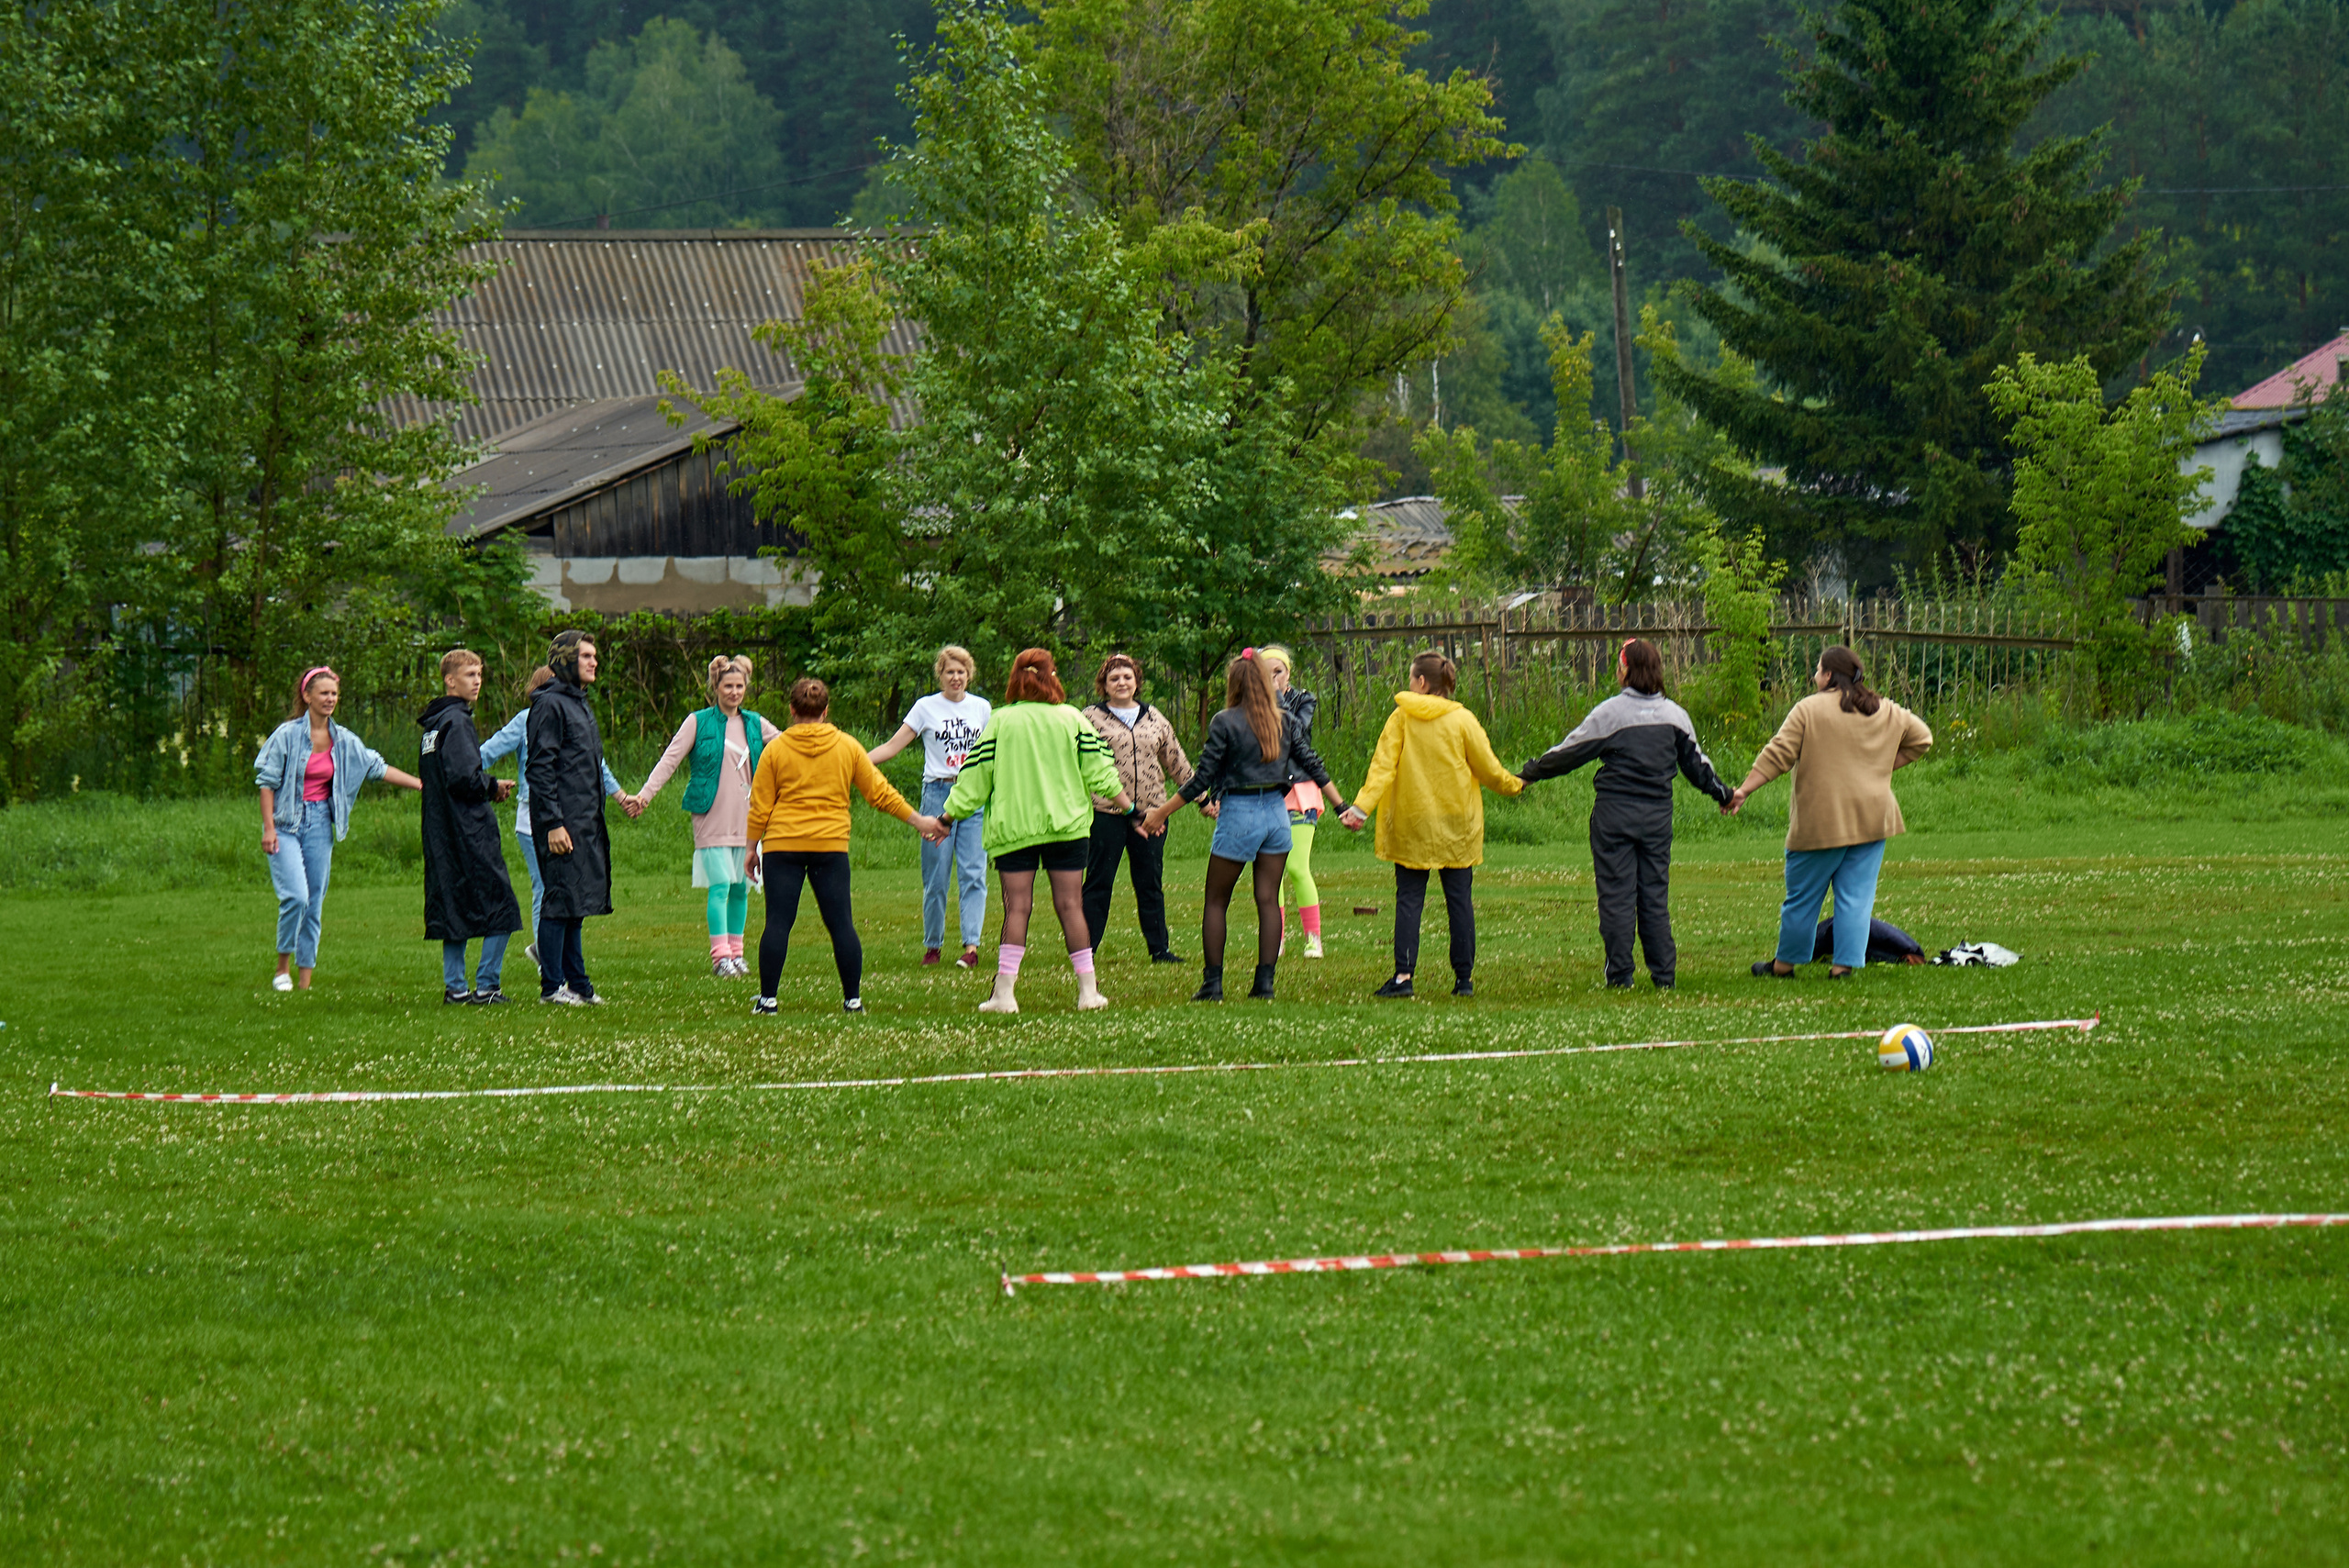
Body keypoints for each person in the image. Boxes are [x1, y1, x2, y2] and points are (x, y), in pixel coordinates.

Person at [1518, 638, 1733, 989]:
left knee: (1617, 896)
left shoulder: (1610, 713)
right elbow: (1698, 766)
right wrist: (1723, 794)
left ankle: (1620, 975)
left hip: (1613, 817)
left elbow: (1570, 751)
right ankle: (1664, 975)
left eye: (1619, 666)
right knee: (1653, 895)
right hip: (1656, 819)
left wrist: (1530, 773)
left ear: (1625, 671)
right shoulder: (1675, 716)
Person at [941, 648, 1141, 1015]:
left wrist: (946, 817)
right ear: (1053, 677)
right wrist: (1131, 810)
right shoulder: (1073, 720)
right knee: (1071, 905)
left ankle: (1004, 995)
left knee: (1016, 907)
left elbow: (974, 778)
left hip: (1014, 830)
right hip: (1068, 829)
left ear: (1015, 678)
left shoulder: (1000, 722)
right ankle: (1088, 993)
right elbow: (1100, 773)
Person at [1141, 650, 1347, 1003]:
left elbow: (1201, 778)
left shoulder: (1225, 720)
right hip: (1278, 816)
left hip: (1240, 812)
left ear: (1234, 683)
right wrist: (1341, 805)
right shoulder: (1284, 719)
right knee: (1268, 900)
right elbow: (1312, 763)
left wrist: (1162, 812)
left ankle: (1213, 984)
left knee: (1216, 901)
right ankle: (1264, 985)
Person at [744, 676, 947, 1016]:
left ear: (792, 710)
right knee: (841, 923)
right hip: (830, 845)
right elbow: (880, 794)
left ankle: (768, 1001)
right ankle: (852, 1000)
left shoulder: (775, 750)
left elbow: (760, 805)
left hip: (783, 844)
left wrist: (751, 849)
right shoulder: (847, 746)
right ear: (825, 711)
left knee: (778, 922)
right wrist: (920, 820)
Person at [1729, 644, 1933, 979]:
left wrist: (1743, 790)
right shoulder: (1885, 709)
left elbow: (1778, 754)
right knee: (1856, 900)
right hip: (1872, 820)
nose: (1813, 676)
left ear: (1828, 675)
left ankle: (1783, 966)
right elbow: (1922, 738)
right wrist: (1881, 768)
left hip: (1820, 824)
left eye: (1818, 669)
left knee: (1802, 899)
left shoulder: (1809, 709)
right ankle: (1843, 967)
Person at [1339, 650, 1524, 1000]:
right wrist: (1515, 784)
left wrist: (1361, 809)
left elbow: (1382, 769)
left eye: (1411, 678)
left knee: (1409, 899)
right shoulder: (1463, 719)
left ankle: (1403, 977)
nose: (1409, 684)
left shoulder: (1402, 718)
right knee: (1460, 901)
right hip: (1458, 824)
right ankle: (1464, 979)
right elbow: (1488, 768)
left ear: (1422, 683)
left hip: (1412, 823)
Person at [253, 666, 423, 991]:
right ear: (307, 696)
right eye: (323, 693)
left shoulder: (343, 740)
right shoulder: (287, 735)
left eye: (334, 694)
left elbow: (376, 766)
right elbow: (266, 783)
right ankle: (281, 969)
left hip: (320, 824)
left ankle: (304, 984)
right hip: (286, 825)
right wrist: (269, 828)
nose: (330, 699)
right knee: (296, 897)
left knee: (314, 902)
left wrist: (419, 784)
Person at [481, 665, 639, 973]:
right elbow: (484, 754)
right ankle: (549, 963)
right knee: (547, 888)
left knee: (562, 890)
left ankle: (546, 952)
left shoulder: (572, 715)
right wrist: (486, 784)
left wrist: (620, 796)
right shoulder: (526, 720)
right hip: (534, 818)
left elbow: (596, 764)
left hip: (568, 817)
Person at [630, 654, 774, 977]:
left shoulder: (755, 722)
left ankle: (737, 953)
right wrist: (645, 795)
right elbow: (670, 760)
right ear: (716, 688)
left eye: (739, 687)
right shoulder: (698, 721)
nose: (734, 693)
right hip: (711, 813)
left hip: (748, 815)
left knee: (742, 885)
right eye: (728, 686)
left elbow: (787, 745)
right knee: (721, 883)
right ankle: (720, 955)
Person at [867, 646, 992, 968]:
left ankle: (971, 948)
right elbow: (894, 746)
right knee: (936, 876)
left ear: (969, 675)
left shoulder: (982, 708)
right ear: (940, 675)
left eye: (961, 672)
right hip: (937, 795)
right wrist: (855, 762)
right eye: (950, 671)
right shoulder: (925, 707)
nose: (956, 677)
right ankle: (933, 946)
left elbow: (994, 753)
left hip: (973, 795)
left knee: (973, 873)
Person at [417, 650, 523, 1005]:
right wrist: (492, 786)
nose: (477, 681)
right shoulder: (457, 721)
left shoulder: (433, 724)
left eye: (480, 674)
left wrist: (486, 782)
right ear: (450, 680)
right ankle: (488, 985)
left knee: (453, 904)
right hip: (468, 830)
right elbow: (463, 777)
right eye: (470, 674)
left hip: (440, 829)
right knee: (502, 905)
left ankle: (456, 988)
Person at [1079, 652, 1194, 964]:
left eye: (1127, 677)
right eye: (1114, 678)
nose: (1121, 682)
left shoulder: (1154, 717)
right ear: (1103, 684)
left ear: (1137, 682)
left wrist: (1203, 798)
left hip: (1152, 814)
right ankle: (1086, 951)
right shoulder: (1089, 718)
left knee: (1150, 881)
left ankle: (1160, 949)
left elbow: (1176, 761)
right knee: (1099, 881)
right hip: (1106, 812)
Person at [527, 629, 618, 1005]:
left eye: (594, 656)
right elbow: (540, 769)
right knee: (560, 901)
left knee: (576, 903)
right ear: (565, 660)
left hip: (584, 819)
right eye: (585, 657)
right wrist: (553, 824)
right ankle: (552, 987)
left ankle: (579, 984)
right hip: (561, 822)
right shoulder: (549, 705)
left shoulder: (577, 701)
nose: (593, 662)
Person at [1255, 645, 1330, 960]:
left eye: (1279, 672)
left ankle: (1314, 939)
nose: (1273, 678)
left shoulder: (1303, 700)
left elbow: (1298, 732)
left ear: (1288, 673)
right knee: (1272, 872)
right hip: (1265, 792)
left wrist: (1277, 699)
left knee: (1298, 867)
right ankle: (1278, 938)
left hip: (1300, 790)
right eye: (1266, 672)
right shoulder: (1250, 704)